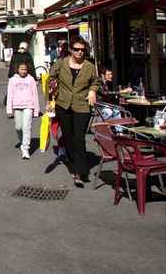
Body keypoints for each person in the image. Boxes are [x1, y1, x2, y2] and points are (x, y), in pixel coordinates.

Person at [50, 36, 98, 187]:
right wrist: (50, 100)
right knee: (69, 138)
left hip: (82, 106)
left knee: (79, 137)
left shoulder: (89, 66)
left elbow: (95, 82)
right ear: (70, 50)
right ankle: (72, 163)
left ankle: (80, 171)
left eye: (83, 50)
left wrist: (92, 91)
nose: (80, 52)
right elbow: (51, 79)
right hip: (63, 105)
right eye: (76, 49)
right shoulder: (60, 63)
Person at [6, 61, 40, 159]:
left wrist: (36, 110)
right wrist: (9, 110)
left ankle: (25, 148)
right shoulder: (13, 80)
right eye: (22, 69)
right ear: (17, 70)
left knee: (26, 127)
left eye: (25, 69)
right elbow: (10, 95)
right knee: (18, 127)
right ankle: (22, 141)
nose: (24, 71)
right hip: (17, 106)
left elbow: (35, 95)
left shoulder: (31, 79)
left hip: (28, 106)